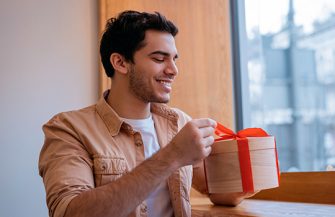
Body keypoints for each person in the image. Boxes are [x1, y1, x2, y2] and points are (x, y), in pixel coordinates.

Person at [39, 10, 253, 217]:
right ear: (120, 62)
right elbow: (70, 212)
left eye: (174, 59)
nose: (173, 70)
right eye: (160, 59)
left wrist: (256, 168)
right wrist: (172, 155)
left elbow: (219, 191)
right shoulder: (67, 129)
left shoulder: (179, 123)